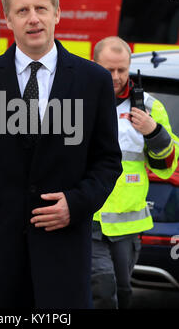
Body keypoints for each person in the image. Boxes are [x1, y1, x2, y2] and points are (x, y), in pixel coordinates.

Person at [0, 0, 122, 309]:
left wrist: (76, 202)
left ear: (57, 12)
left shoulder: (93, 81)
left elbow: (108, 162)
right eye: (22, 10)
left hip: (63, 257)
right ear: (8, 18)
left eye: (41, 8)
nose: (33, 19)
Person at [92, 36, 179, 309]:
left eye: (121, 70)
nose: (116, 77)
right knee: (102, 291)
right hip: (87, 217)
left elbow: (166, 168)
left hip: (127, 225)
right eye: (108, 70)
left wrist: (153, 132)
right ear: (94, 66)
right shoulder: (77, 102)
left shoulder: (151, 108)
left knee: (122, 293)